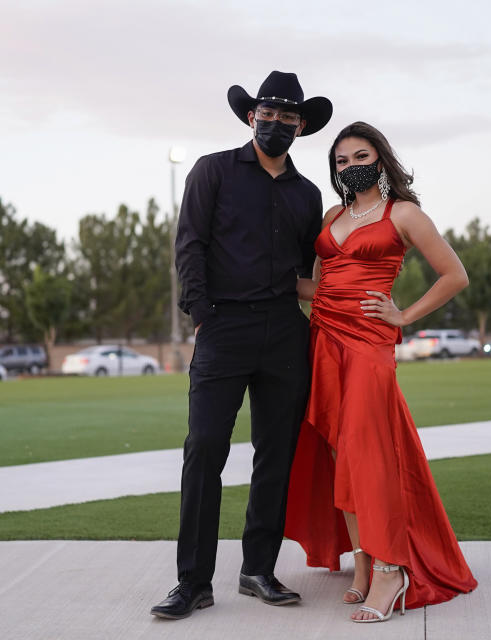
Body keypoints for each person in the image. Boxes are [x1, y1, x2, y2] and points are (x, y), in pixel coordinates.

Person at [150, 71, 332, 620]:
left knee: (276, 455)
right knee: (204, 449)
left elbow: (308, 271)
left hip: (284, 332)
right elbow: (190, 247)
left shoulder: (307, 193)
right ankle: (193, 582)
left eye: (288, 117)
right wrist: (202, 317)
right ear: (252, 116)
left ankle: (258, 570)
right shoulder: (212, 171)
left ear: (301, 127)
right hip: (223, 330)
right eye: (267, 114)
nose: (276, 124)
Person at [284, 121, 478, 623]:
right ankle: (364, 565)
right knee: (338, 452)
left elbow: (455, 275)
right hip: (324, 338)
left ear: (381, 159)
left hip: (369, 345)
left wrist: (404, 316)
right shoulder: (332, 215)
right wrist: (259, 277)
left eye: (360, 156)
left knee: (365, 453)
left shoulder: (405, 214)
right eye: (341, 161)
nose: (350, 166)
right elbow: (319, 287)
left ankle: (392, 571)